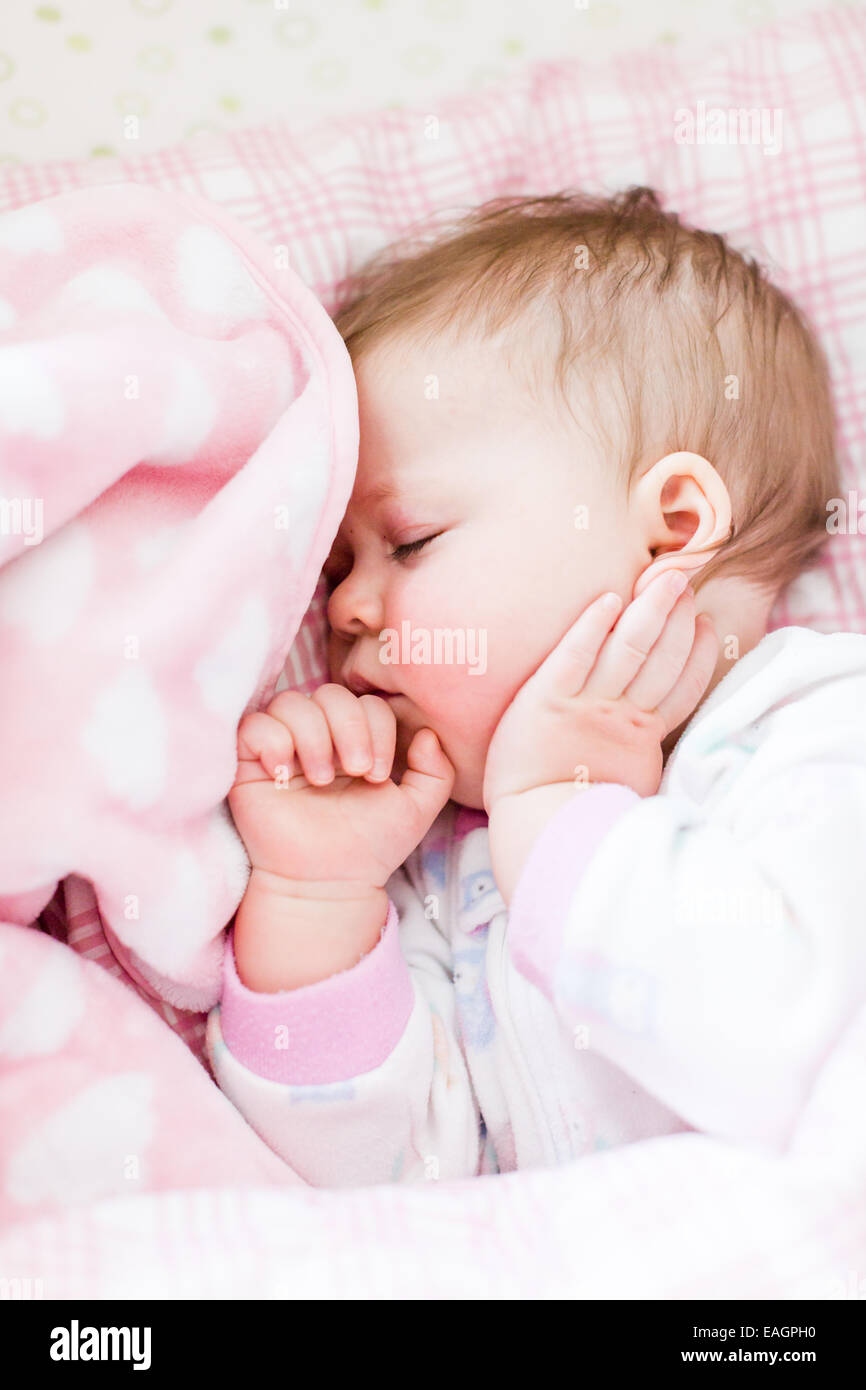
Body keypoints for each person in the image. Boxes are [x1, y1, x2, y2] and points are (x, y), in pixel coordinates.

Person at [205, 188, 866, 1184]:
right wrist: (315, 898)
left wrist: (569, 813)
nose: (341, 609)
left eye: (408, 540)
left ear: (672, 528)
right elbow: (377, 1196)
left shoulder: (815, 727)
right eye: (337, 570)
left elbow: (798, 1055)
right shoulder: (437, 870)